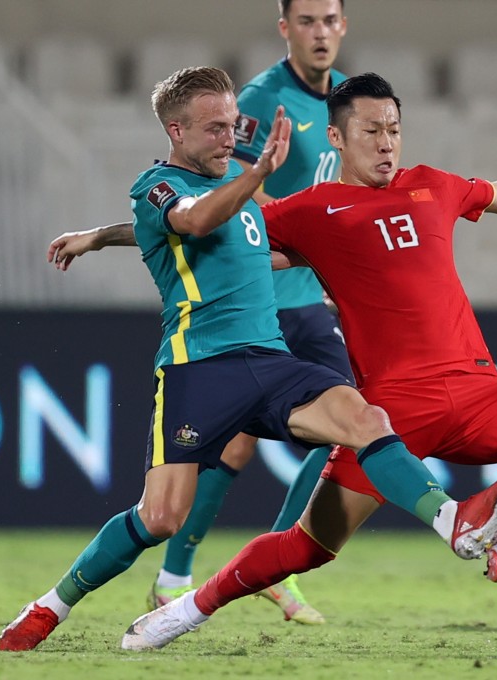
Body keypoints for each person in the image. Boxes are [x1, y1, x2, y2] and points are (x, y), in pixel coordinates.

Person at [52, 73, 497, 652]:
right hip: (393, 418)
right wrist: (103, 236)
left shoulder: (433, 185)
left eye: (394, 130)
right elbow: (211, 235)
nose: (386, 143)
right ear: (336, 139)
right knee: (306, 546)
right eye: (370, 132)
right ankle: (183, 610)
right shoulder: (310, 211)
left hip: (481, 397)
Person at [49, 0, 351, 626]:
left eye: (330, 20)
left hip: (296, 294)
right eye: (307, 21)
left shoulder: (348, 101)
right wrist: (297, 221)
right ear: (285, 29)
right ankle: (190, 574)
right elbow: (210, 209)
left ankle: (256, 566)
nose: (320, 32)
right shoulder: (258, 102)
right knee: (247, 451)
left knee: (349, 425)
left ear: (343, 26)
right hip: (259, 298)